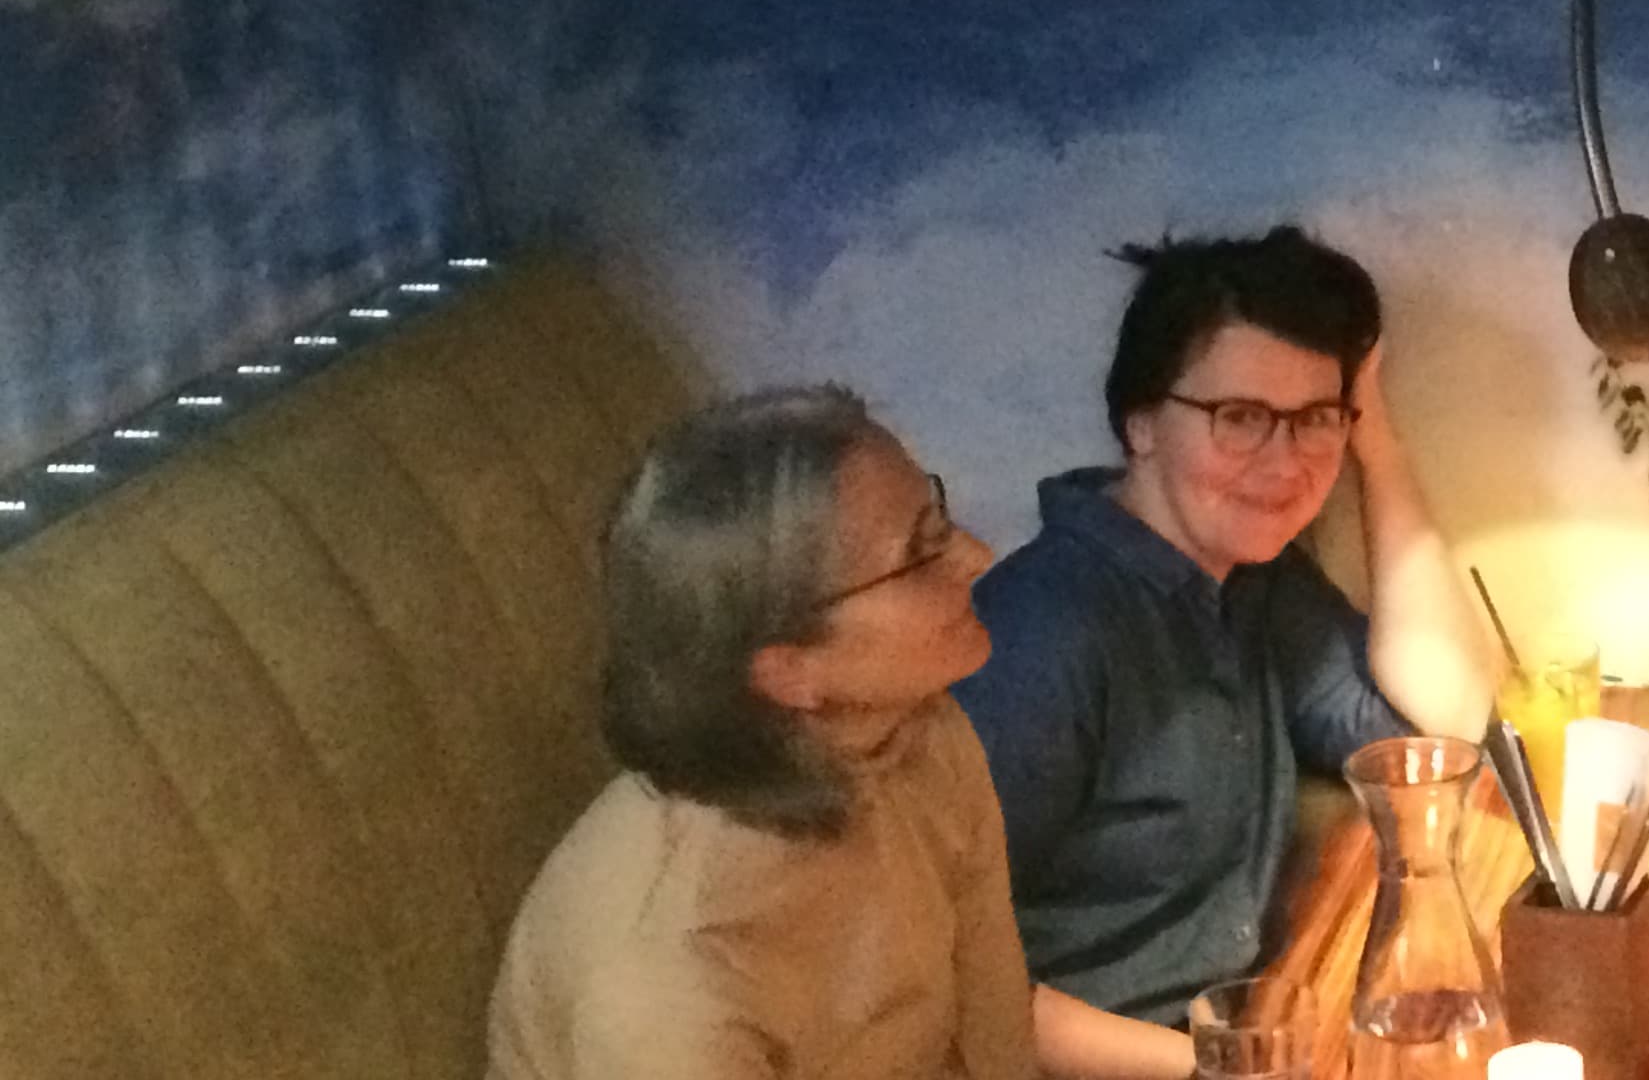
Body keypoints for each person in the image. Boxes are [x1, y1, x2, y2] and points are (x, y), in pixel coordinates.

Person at [955, 228, 1500, 1079]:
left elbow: (1447, 729)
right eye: (1240, 418)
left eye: (1315, 418)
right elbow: (947, 969)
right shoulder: (1043, 633)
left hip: (1243, 1038)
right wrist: (1215, 1067)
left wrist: (1376, 444)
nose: (1286, 463)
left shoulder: (1254, 580)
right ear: (1140, 423)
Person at [488, 384, 1103, 1080]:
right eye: (920, 550)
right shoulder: (673, 976)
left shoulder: (920, 729)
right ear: (787, 673)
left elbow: (994, 1024)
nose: (977, 555)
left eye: (939, 519)